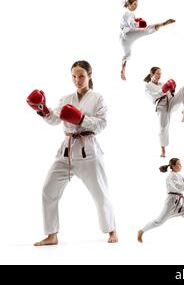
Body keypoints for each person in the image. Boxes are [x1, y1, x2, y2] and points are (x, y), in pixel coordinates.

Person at [26, 60, 118, 246]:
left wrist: (81, 118)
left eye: (81, 76)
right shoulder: (66, 98)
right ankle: (52, 235)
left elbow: (101, 124)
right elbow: (54, 120)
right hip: (66, 152)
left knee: (100, 193)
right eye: (74, 76)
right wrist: (42, 109)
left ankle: (112, 230)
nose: (77, 80)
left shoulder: (98, 98)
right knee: (48, 189)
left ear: (90, 75)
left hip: (89, 151)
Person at [137, 158, 184, 246]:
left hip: (181, 204)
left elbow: (183, 181)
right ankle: (141, 231)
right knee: (158, 222)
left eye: (180, 164)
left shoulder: (178, 175)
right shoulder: (171, 176)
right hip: (172, 202)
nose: (181, 166)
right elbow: (178, 186)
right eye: (178, 164)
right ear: (173, 166)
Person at [120, 0, 175, 81]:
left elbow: (132, 22)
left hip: (124, 38)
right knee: (146, 29)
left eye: (137, 5)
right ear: (129, 4)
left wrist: (137, 21)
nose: (136, 6)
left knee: (128, 54)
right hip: (127, 34)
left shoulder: (130, 14)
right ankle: (163, 24)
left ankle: (123, 70)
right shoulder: (128, 13)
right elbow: (132, 24)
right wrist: (139, 23)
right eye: (134, 4)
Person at [144, 67, 184, 158]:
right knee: (163, 127)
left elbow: (170, 93)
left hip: (171, 102)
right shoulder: (148, 86)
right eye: (157, 73)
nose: (160, 75)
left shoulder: (162, 83)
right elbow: (153, 97)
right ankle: (163, 149)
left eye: (160, 73)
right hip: (162, 106)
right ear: (151, 74)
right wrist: (164, 90)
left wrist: (172, 90)